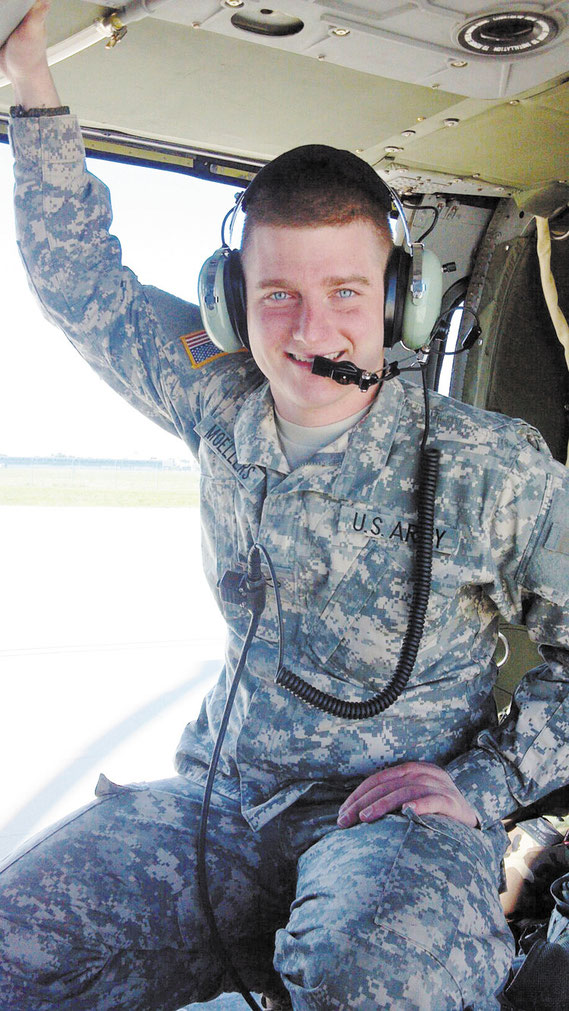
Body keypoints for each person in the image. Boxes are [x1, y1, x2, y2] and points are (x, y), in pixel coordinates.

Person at [2, 4, 569, 1009]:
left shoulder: (492, 466)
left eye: (347, 292)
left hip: (396, 821)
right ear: (231, 304)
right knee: (19, 941)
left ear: (402, 302)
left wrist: (479, 788)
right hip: (222, 801)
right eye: (278, 298)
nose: (314, 330)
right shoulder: (211, 397)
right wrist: (34, 95)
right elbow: (81, 281)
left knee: (372, 980)